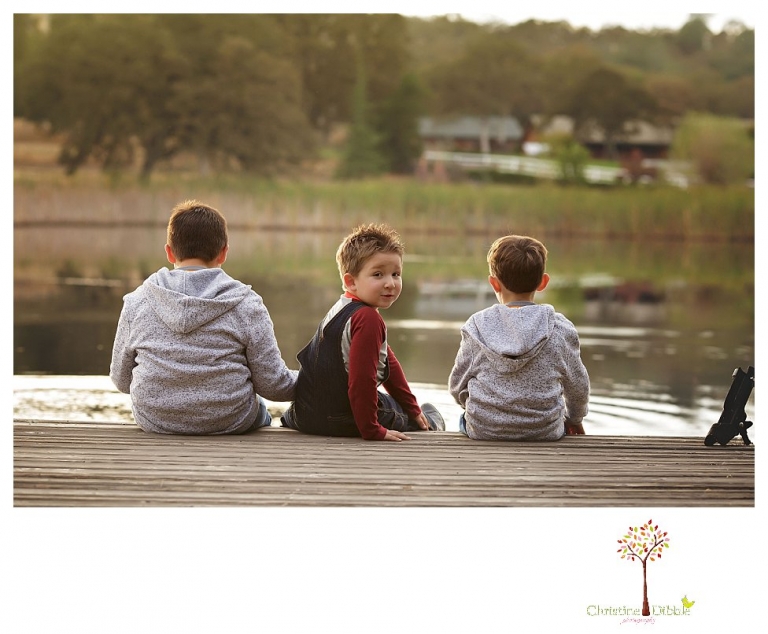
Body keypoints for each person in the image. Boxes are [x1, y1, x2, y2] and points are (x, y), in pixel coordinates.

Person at [110, 200, 297, 434]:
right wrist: (315, 379)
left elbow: (121, 380)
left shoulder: (136, 302)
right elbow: (273, 386)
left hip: (156, 421)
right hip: (231, 421)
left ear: (169, 252)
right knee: (260, 409)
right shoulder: (247, 304)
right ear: (224, 252)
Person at [281, 223, 444, 441]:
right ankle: (433, 422)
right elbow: (361, 382)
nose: (390, 283)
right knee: (428, 414)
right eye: (378, 274)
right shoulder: (367, 319)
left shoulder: (341, 308)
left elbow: (388, 363)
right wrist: (372, 430)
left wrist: (411, 406)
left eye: (396, 274)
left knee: (410, 408)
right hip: (343, 417)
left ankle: (415, 411)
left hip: (305, 416)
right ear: (351, 281)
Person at [448, 234, 590, 440]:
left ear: (494, 283)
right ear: (543, 282)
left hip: (484, 430)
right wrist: (575, 419)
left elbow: (456, 386)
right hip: (544, 432)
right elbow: (578, 388)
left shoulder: (476, 326)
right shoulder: (561, 328)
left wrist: (478, 408)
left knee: (461, 419)